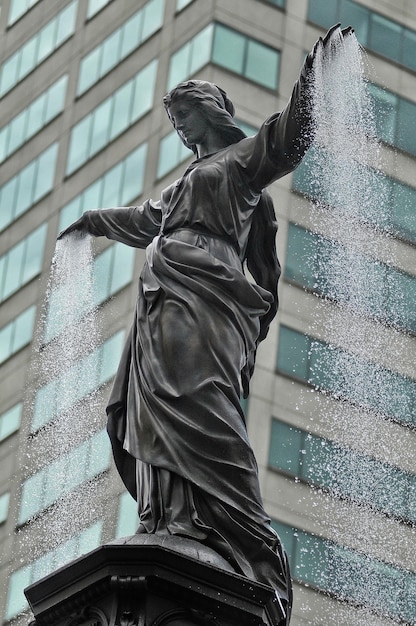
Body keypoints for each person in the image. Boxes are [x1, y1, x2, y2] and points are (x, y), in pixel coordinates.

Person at [59, 25, 352, 625]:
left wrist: (313, 83)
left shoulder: (238, 165)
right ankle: (172, 518)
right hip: (161, 301)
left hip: (208, 299)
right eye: (175, 121)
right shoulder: (181, 184)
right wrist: (93, 221)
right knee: (154, 408)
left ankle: (243, 536)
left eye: (186, 116)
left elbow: (286, 139)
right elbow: (143, 220)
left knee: (204, 404)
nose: (181, 129)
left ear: (211, 113)